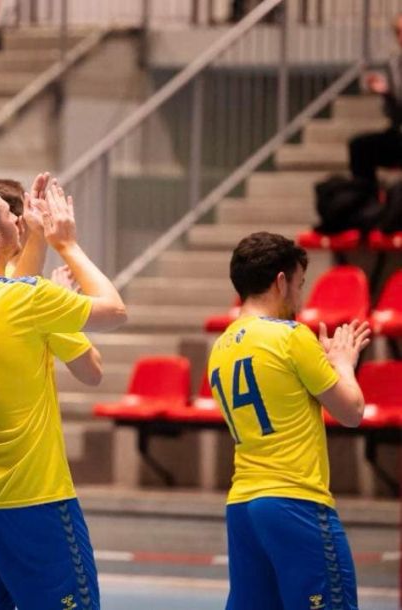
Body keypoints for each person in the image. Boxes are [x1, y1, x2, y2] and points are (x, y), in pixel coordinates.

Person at [0, 179, 127, 609]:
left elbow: (8, 292)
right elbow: (115, 311)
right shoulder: (28, 299)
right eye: (12, 215)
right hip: (32, 501)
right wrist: (66, 243)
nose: (19, 220)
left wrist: (37, 238)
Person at [209, 232, 370, 610]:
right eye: (299, 285)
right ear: (281, 282)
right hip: (295, 500)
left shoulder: (220, 348)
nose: (300, 297)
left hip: (243, 506)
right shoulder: (291, 337)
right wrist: (343, 365)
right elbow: (351, 412)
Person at [348, 13, 402, 189]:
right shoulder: (394, 65)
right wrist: (385, 93)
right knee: (360, 147)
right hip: (399, 132)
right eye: (399, 32)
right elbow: (393, 113)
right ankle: (366, 199)